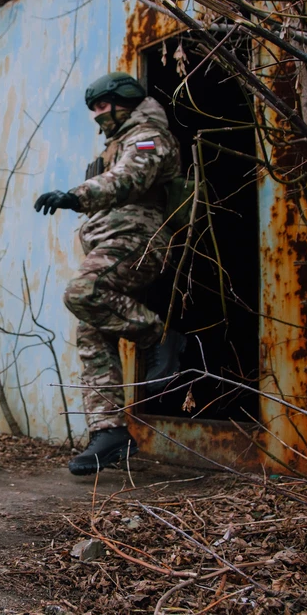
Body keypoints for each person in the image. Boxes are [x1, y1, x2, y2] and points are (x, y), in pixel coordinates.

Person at [34, 72, 187, 476]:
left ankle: (160, 338)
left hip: (140, 240)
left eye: (104, 106)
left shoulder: (149, 135)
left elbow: (129, 178)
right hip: (113, 242)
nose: (98, 115)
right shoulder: (118, 143)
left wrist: (76, 195)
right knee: (91, 330)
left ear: (125, 101)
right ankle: (110, 432)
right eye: (94, 109)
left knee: (82, 292)